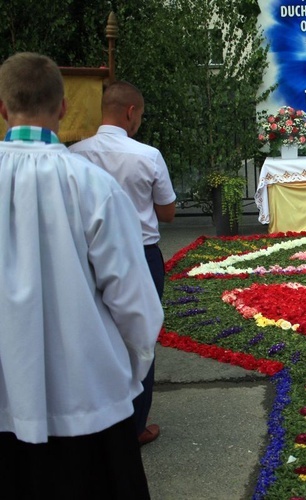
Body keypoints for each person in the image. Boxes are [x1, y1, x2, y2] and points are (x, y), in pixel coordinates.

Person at [0, 52, 162, 497]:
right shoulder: (92, 185)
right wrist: (128, 374)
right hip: (86, 399)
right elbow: (135, 305)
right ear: (65, 107)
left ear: (2, 107)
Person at [70, 80, 176, 446]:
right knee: (140, 335)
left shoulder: (75, 154)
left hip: (88, 254)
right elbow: (167, 212)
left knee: (94, 332)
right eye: (140, 116)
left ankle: (98, 420)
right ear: (131, 113)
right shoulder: (146, 155)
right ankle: (135, 425)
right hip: (139, 253)